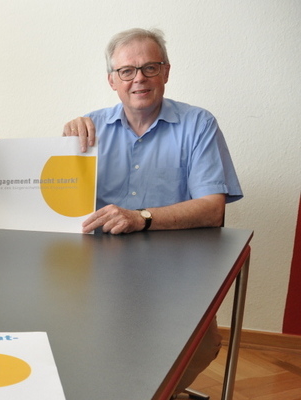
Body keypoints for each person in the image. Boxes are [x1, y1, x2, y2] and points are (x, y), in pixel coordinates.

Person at [63, 28, 243, 398]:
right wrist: (61, 145)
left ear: (166, 72)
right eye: (127, 71)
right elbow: (60, 201)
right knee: (75, 334)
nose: (139, 79)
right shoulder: (88, 128)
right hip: (98, 266)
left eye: (150, 67)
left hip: (175, 264)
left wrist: (141, 217)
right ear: (112, 80)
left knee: (203, 345)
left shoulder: (198, 124)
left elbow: (213, 209)